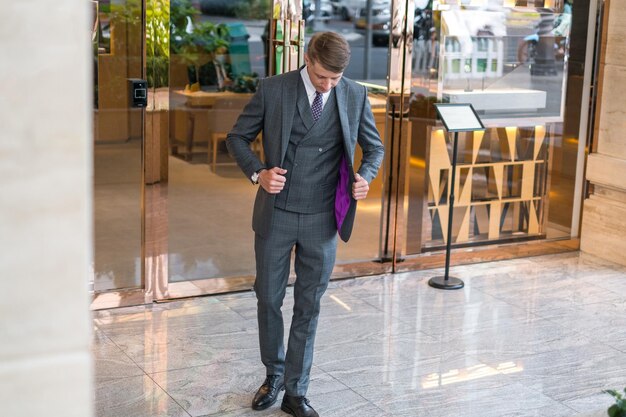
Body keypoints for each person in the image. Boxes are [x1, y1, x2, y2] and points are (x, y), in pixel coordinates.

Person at [226, 31, 384, 417]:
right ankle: (274, 374)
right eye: (321, 77)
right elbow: (238, 138)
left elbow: (374, 147)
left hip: (324, 217)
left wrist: (365, 175)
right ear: (308, 59)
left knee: (309, 306)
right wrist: (258, 173)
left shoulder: (353, 93)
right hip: (277, 214)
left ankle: (296, 392)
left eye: (335, 79)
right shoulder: (272, 89)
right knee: (268, 298)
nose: (328, 85)